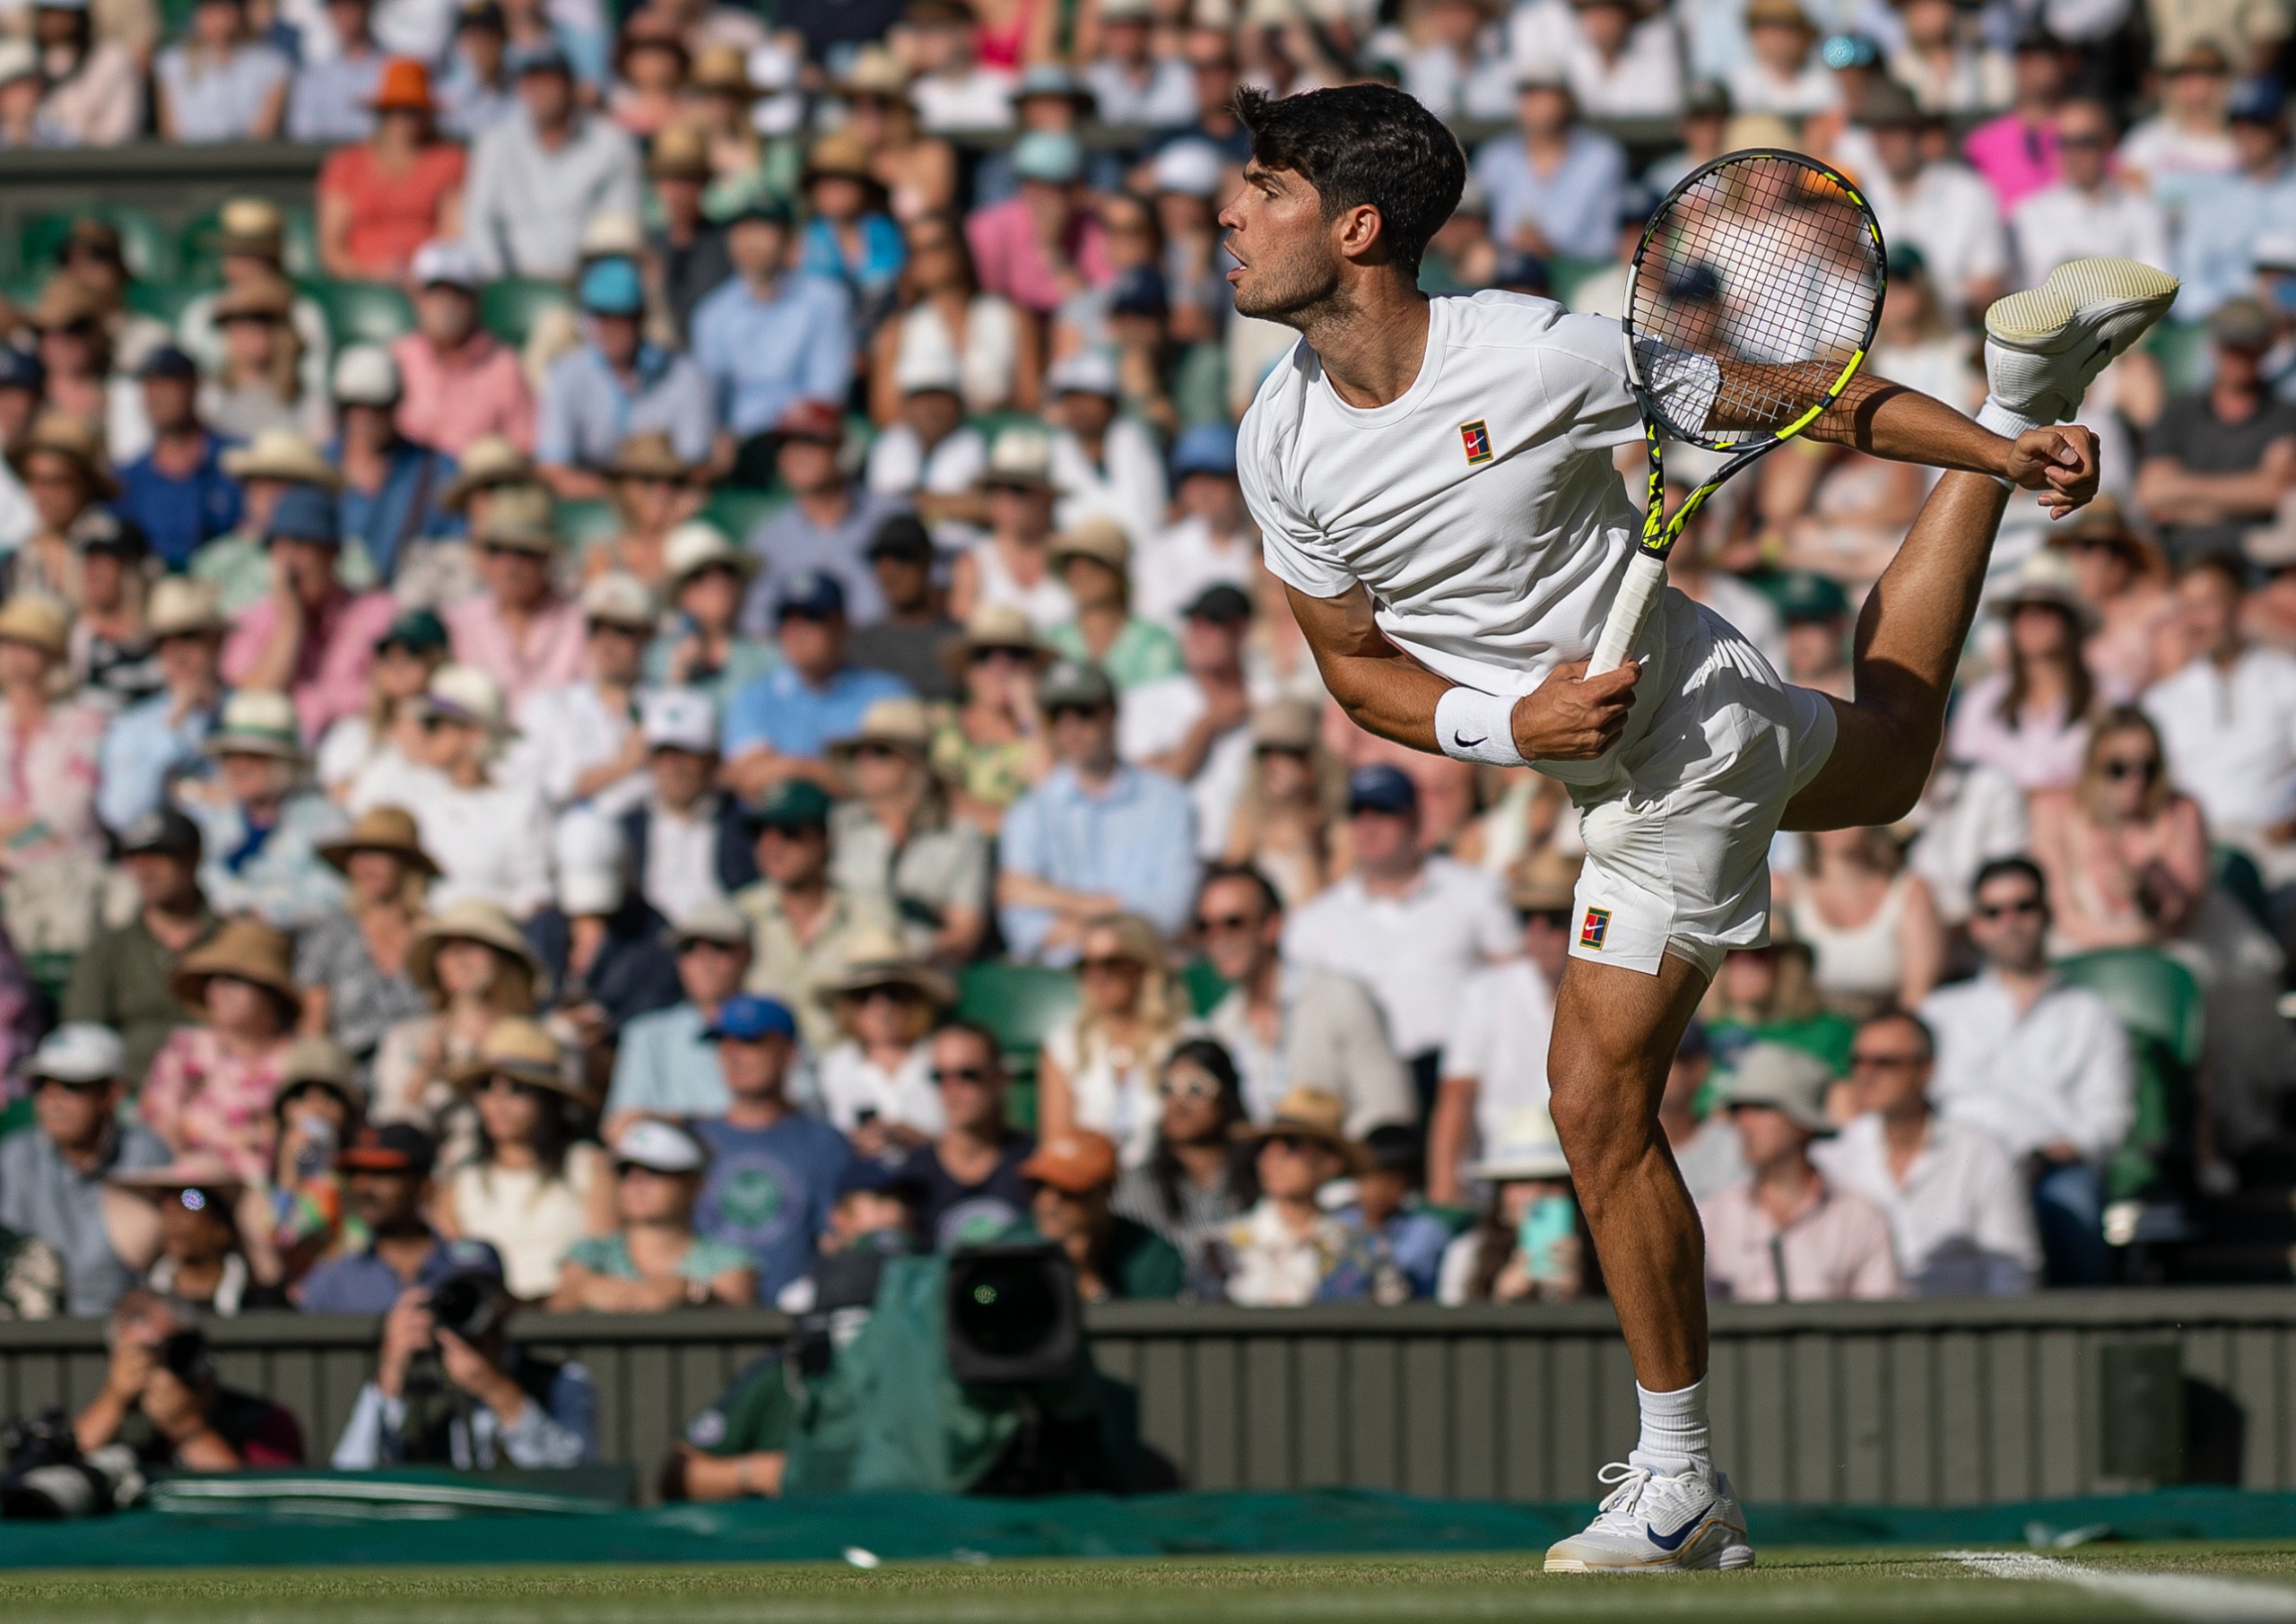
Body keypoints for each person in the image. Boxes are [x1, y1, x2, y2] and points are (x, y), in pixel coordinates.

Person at [1223, 80, 2136, 1569]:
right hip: (1625, 742)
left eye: (1260, 191)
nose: (1226, 215)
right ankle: (2028, 389)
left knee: (1590, 1104)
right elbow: (1355, 671)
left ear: (1357, 227)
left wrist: (1972, 453)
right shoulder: (1278, 440)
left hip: (1682, 742)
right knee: (1893, 761)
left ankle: (1679, 1481)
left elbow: (1809, 395)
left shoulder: (1536, 350)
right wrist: (1500, 724)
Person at [2036, 707, 2296, 1158]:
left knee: (2196, 990)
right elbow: (2062, 913)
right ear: (2095, 768)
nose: (2134, 780)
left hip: (2179, 941)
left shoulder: (2182, 813)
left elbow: (2181, 919)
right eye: (2118, 768)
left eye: (2147, 767)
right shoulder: (2057, 813)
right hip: (2088, 942)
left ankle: (2202, 1141)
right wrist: (2129, 942)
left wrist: (2146, 895)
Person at [1920, 857, 2135, 1283]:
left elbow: (2110, 1116)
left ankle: (2086, 1332)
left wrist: (2056, 1152)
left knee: (2074, 1198)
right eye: (1994, 912)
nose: (2010, 922)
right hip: (1953, 1166)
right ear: (1976, 926)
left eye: (2024, 907)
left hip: (2049, 1170)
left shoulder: (2091, 1015)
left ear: (2047, 915)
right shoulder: (1940, 1013)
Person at [1285, 766, 1518, 1113]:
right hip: (1364, 1097)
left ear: (1415, 819)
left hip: (1463, 1083)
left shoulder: (1476, 892)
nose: (1368, 825)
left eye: (1383, 811)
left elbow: (1514, 982)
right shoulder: (1313, 923)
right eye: (1357, 813)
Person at [1813, 1009, 2040, 1296]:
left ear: (1925, 1071)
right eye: (1857, 1062)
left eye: (1885, 1063)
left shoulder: (1983, 1153)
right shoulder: (1832, 1158)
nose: (1865, 1074)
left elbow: (2011, 1269)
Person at [996, 658, 1197, 959]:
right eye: (1055, 717)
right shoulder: (1029, 811)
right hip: (1061, 983)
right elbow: (1022, 928)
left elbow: (1170, 913)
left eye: (1083, 712)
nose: (1069, 727)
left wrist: (1047, 897)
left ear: (1112, 712)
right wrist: (1126, 914)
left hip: (1147, 972)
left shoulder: (1170, 801)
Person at [1193, 861, 1413, 1134]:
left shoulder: (1340, 997)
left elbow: (1389, 1108)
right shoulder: (1219, 1028)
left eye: (1233, 923)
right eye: (1204, 927)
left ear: (1271, 926)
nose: (1218, 938)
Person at [332, 1246, 597, 1468]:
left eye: (483, 1296)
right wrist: (390, 1376)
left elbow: (576, 1479)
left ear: (506, 1304)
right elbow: (350, 1477)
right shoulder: (414, 1388)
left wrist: (499, 1392)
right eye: (455, 1299)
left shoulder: (562, 1381)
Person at [1699, 1042, 1902, 1302]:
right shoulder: (1710, 1218)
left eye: (1761, 1108)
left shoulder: (1861, 1220)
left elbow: (1880, 1324)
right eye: (1739, 1111)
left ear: (1803, 1124)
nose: (1744, 1124)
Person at [1430, 858, 1578, 1204]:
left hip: (1586, 1181)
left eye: (1555, 921)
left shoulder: (1613, 997)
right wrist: (1445, 1184)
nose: (1539, 934)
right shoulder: (1483, 993)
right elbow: (1457, 1095)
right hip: (1503, 1179)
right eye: (1528, 920)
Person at [2143, 555, 2296, 885]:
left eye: (2206, 605)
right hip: (2193, 859)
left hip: (2278, 858)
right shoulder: (2161, 702)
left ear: (2240, 606)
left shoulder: (2287, 681)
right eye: (2185, 608)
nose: (2194, 621)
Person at [689, 994, 852, 1302]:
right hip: (706, 1325)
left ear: (788, 1053)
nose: (733, 1054)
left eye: (750, 1042)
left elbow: (835, 1239)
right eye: (723, 1042)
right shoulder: (692, 1141)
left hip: (790, 1325)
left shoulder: (823, 1142)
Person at [0, 1024, 170, 1317]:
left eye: (71, 1085)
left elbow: (193, 1201)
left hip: (129, 1330)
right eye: (42, 1085)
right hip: (34, 1337)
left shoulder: (147, 1151)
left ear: (112, 1094)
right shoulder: (16, 1157)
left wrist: (198, 1200)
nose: (52, 1098)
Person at [222, 484, 400, 745]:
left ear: (332, 553)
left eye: (302, 545)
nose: (291, 562)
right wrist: (290, 623)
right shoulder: (252, 619)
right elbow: (256, 700)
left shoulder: (377, 613)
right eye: (280, 547)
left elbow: (391, 696)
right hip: (280, 757)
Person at [733, 781, 896, 1053]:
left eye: (789, 832)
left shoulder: (868, 912)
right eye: (760, 832)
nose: (771, 845)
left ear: (825, 840)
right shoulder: (740, 914)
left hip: (848, 1068)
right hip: (764, 1070)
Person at [691, 200, 856, 469]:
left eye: (763, 229)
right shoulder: (712, 314)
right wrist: (719, 438)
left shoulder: (826, 300)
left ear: (790, 239)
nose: (751, 241)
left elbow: (827, 391)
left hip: (804, 435)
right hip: (739, 444)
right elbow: (710, 398)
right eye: (742, 230)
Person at [138, 919, 301, 1187]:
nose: (218, 988)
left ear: (271, 992)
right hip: (194, 1193)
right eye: (212, 978)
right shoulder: (186, 1048)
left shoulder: (302, 1056)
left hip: (275, 1196)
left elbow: (312, 1143)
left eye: (234, 979)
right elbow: (158, 1126)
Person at [826, 698, 990, 963]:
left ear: (914, 763)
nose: (865, 761)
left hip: (920, 975)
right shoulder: (840, 824)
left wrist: (904, 952)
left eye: (880, 752)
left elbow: (964, 935)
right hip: (845, 964)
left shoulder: (960, 837)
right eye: (860, 752)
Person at [463, 39, 643, 280]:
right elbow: (479, 222)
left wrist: (587, 280)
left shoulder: (611, 144)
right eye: (530, 80)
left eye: (549, 79)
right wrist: (500, 281)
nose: (539, 89)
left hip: (588, 285)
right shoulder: (494, 145)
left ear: (570, 85)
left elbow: (620, 222)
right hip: (513, 286)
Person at [723, 572, 912, 800]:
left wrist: (789, 767)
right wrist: (833, 774)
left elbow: (891, 783)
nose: (796, 630)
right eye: (786, 617)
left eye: (812, 617)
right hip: (780, 829)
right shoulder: (754, 698)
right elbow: (748, 777)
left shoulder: (887, 694)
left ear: (842, 624)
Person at [536, 260, 716, 496]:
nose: (612, 328)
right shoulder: (565, 376)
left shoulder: (683, 375)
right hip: (593, 505)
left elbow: (696, 467)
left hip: (666, 499)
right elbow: (554, 471)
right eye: (602, 316)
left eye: (622, 317)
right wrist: (625, 495)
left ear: (641, 317)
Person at [2137, 297, 2296, 562]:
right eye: (2231, 345)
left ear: (2265, 348)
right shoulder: (2179, 412)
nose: (2238, 356)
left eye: (2248, 346)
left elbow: (2274, 494)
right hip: (2182, 557)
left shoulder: (2286, 418)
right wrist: (2247, 499)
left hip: (2255, 561)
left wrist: (2184, 501)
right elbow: (2152, 494)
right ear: (2214, 347)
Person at [370, 898, 544, 1134]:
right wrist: (426, 1071)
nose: (458, 955)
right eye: (447, 946)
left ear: (503, 957)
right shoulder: (407, 1038)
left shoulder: (544, 1038)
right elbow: (391, 1123)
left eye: (473, 944)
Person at [75, 1291, 302, 1472]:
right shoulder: (119, 1421)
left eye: (175, 1351)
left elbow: (262, 1507)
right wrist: (114, 1399)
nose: (160, 1371)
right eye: (139, 1357)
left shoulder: (265, 1422)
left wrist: (188, 1430)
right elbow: (61, 1471)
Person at [401, 663, 554, 916]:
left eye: (433, 724)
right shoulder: (415, 798)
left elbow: (533, 891)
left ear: (472, 733)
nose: (423, 734)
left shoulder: (522, 802)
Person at [551, 1118, 752, 1311]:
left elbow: (742, 1322)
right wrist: (582, 1292)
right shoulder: (587, 1255)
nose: (635, 1181)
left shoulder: (728, 1261)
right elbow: (555, 1313)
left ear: (693, 1185)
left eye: (654, 1170)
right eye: (625, 1169)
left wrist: (690, 1291)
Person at [736, 402, 907, 627]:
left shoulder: (891, 517)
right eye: (785, 444)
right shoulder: (768, 541)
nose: (796, 454)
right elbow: (757, 627)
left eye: (810, 441)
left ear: (842, 448)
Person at [1035, 912, 1183, 1168]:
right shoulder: (1064, 1046)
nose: (1097, 976)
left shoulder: (1184, 1041)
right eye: (1086, 965)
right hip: (1091, 1188)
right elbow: (1057, 1147)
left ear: (1143, 965)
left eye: (1112, 963)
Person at [1948, 551, 2102, 793]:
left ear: (2072, 621)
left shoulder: (2109, 696)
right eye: (2020, 610)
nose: (2032, 618)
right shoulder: (1980, 699)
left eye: (2047, 608)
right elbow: (1963, 780)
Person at [300, 805, 436, 1079]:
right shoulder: (329, 935)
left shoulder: (433, 938)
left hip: (418, 1077)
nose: (365, 865)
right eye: (358, 856)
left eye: (378, 854)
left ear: (406, 864)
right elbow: (314, 1026)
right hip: (347, 1076)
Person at [507, 573, 656, 820]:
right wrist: (624, 765)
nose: (607, 643)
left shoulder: (666, 708)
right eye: (596, 628)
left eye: (621, 630)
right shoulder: (548, 706)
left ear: (647, 635)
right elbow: (527, 787)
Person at [872, 209, 1036, 423]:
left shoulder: (1011, 317)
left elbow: (1031, 399)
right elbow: (886, 414)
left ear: (960, 248)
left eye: (936, 246)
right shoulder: (897, 330)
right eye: (916, 250)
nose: (927, 259)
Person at [1214, 1087, 1374, 1306]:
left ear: (1331, 1162)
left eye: (1292, 1143)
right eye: (1265, 1145)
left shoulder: (1363, 1251)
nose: (1273, 1155)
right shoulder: (1221, 1247)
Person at [601, 900, 752, 1125]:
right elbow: (618, 1126)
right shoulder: (645, 1035)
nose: (704, 959)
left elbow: (793, 1115)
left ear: (748, 954)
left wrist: (677, 1121)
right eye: (688, 947)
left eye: (719, 946)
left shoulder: (774, 1026)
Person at [316, 58, 467, 282]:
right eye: (396, 109)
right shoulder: (345, 164)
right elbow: (332, 250)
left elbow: (452, 237)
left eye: (415, 110)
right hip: (359, 285)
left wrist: (421, 273)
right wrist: (372, 274)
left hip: (428, 286)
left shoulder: (448, 162)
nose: (406, 119)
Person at [617, 687, 757, 926]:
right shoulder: (626, 829)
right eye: (664, 753)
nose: (674, 766)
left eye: (687, 753)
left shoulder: (747, 829)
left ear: (713, 760)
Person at [1111, 1037, 1257, 1263]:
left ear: (1226, 1096)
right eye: (1167, 1088)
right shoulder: (1138, 1187)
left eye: (1196, 1088)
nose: (1178, 1103)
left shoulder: (1261, 1179)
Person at [892, 1020, 1033, 1250]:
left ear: (1001, 1078)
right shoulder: (914, 1175)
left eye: (968, 1075)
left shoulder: (1034, 1163)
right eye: (939, 1077)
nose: (952, 1089)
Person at [391, 239, 535, 461]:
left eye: (458, 292)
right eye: (434, 291)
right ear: (417, 298)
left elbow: (524, 448)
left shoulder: (503, 365)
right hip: (403, 488)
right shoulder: (398, 358)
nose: (445, 303)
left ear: (476, 300)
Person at [1471, 63, 1626, 265]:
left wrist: (1549, 248)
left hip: (1577, 271)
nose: (1535, 103)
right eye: (1528, 94)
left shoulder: (1602, 156)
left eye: (1545, 93)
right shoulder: (1494, 156)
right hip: (1505, 269)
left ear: (1567, 100)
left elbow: (1606, 239)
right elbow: (1477, 227)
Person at [443, 487, 585, 706]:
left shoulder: (580, 621)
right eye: (497, 550)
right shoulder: (458, 622)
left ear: (547, 556)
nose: (510, 565)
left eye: (524, 551)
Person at [329, 346, 459, 585]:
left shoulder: (438, 470)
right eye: (355, 406)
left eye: (379, 406)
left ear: (396, 404)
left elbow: (457, 548)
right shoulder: (315, 468)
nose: (367, 417)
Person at [2010, 99, 2170, 289]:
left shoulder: (2141, 210)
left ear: (2109, 142)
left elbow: (2156, 284)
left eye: (2085, 142)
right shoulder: (2027, 214)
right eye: (2064, 143)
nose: (2074, 154)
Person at [1786, 827, 1944, 1017]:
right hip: (1802, 1032)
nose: (1836, 822)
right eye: (1821, 808)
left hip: (1881, 1034)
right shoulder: (1784, 891)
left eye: (1851, 809)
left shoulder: (1911, 892)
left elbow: (1917, 996)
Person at [0, 594, 109, 872]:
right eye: (7, 641)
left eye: (29, 644)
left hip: (66, 873)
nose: (14, 652)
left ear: (53, 655)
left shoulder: (83, 724)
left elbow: (70, 815)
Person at [1436, 1107, 1588, 1304]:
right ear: (1500, 1196)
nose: (1536, 1193)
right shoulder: (1465, 1254)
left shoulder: (1605, 1255)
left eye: (1551, 1181)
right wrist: (1501, 1298)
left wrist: (1579, 1292)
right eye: (1522, 1181)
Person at [815, 940, 953, 1149]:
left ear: (916, 1000)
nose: (881, 1008)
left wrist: (921, 1143)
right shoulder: (830, 1068)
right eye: (864, 995)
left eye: (893, 994)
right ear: (848, 1007)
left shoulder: (947, 1058)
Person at [117, 350, 243, 573]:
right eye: (149, 385)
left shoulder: (237, 462)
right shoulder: (128, 479)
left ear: (194, 386)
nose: (156, 395)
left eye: (167, 383)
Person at [931, 603, 1054, 833]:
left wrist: (1027, 708)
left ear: (1034, 665)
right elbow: (942, 801)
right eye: (984, 655)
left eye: (1015, 654)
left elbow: (1051, 794)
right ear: (967, 670)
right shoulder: (941, 722)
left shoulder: (1052, 729)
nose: (1000, 666)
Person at [1022, 1129, 1186, 1301]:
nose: (1047, 1203)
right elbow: (990, 1298)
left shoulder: (1152, 1258)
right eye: (1038, 1185)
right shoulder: (1009, 1244)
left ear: (1106, 1191)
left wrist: (1085, 1275)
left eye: (1069, 1190)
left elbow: (1154, 1324)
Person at [108, 1159, 287, 1315]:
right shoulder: (138, 1310)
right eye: (164, 1202)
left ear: (221, 1228)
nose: (172, 1214)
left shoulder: (264, 1306)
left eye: (191, 1199)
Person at [949, 426, 1074, 634]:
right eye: (995, 488)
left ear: (1046, 497)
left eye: (1018, 489)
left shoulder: (1075, 557)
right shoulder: (973, 563)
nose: (1004, 499)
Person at [646, 523, 777, 712]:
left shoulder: (770, 658)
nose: (717, 582)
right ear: (681, 594)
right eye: (699, 575)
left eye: (727, 571)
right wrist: (678, 676)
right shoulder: (658, 658)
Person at [1044, 518, 1183, 693]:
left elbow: (1163, 703)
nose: (1083, 571)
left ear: (1119, 573)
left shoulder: (1155, 642)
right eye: (1072, 563)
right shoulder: (1051, 641)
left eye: (1095, 562)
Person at [848, 516, 962, 702]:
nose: (890, 571)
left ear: (927, 559)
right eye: (878, 559)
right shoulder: (857, 646)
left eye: (902, 556)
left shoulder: (960, 643)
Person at [157, 0, 289, 142]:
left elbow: (262, 134)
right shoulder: (171, 62)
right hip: (189, 160)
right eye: (210, 10)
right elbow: (171, 133)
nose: (218, 19)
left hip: (246, 161)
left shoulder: (272, 63)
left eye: (225, 10)